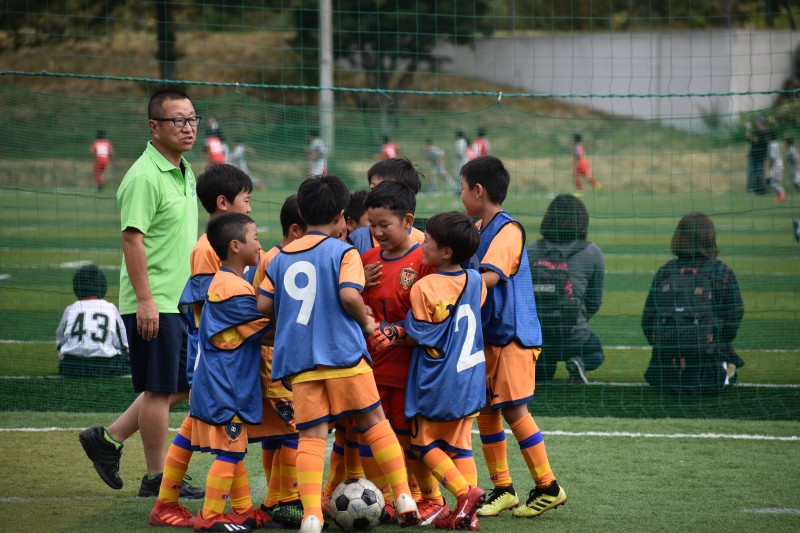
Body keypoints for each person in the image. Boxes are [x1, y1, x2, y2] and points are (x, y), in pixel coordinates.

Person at [256, 175, 420, 533]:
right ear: (342, 217)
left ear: (301, 212)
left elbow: (263, 303)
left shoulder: (280, 256)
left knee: (311, 436)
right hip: (344, 355)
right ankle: (404, 494)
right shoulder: (344, 252)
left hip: (301, 362)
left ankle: (312, 515)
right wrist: (366, 321)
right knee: (374, 421)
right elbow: (349, 296)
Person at [79, 89, 204, 500]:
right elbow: (132, 240)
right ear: (154, 127)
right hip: (155, 302)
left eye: (192, 119)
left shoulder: (183, 169)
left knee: (178, 386)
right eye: (177, 121)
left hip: (180, 301)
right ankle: (157, 478)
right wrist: (146, 300)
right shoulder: (143, 176)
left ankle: (109, 439)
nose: (188, 128)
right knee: (158, 389)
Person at [460, 156, 567, 519]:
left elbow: (488, 277)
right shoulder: (477, 228)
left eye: (462, 188)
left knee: (514, 410)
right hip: (489, 337)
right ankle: (503, 488)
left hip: (513, 337)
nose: (460, 195)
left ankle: (548, 485)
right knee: (487, 412)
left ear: (478, 190)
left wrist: (452, 298)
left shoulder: (509, 230)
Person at [149, 163, 255, 528]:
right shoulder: (209, 250)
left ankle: (231, 509)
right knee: (228, 437)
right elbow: (212, 311)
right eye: (246, 200)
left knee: (197, 432)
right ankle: (210, 514)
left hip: (215, 361)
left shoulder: (217, 245)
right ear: (224, 203)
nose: (250, 208)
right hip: (216, 363)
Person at [359, 181, 442, 524]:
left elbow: (434, 321)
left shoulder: (424, 262)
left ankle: (429, 496)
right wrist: (357, 286)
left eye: (384, 225)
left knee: (409, 436)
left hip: (409, 369)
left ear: (408, 221)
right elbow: (353, 307)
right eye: (372, 225)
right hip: (369, 367)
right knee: (371, 435)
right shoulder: (365, 261)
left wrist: (399, 333)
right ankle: (385, 498)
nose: (377, 233)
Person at [402, 211, 488, 530]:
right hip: (471, 377)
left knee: (424, 445)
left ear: (446, 252)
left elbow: (419, 334)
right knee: (461, 445)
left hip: (440, 379)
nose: (422, 244)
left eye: (428, 241)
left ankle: (465, 494)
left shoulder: (423, 288)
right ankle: (469, 516)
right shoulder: (476, 280)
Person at [190, 212, 272, 531]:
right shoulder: (234, 289)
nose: (260, 245)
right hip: (227, 387)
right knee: (230, 452)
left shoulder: (227, 282)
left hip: (224, 383)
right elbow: (268, 331)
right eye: (255, 239)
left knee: (233, 450)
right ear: (236, 246)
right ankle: (210, 516)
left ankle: (240, 510)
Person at [249, 195, 306, 529]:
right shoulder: (279, 260)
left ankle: (273, 499)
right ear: (297, 230)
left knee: (276, 432)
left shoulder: (271, 256)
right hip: (278, 362)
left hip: (272, 360)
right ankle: (288, 500)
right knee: (292, 431)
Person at [641, 212, 745, 395]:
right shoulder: (721, 272)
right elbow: (733, 318)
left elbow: (647, 321)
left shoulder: (665, 272)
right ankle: (724, 368)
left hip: (663, 373)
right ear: (710, 238)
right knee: (727, 357)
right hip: (708, 370)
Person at [529, 194, 605, 384]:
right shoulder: (592, 252)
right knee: (596, 353)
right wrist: (576, 317)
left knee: (542, 373)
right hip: (573, 335)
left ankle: (535, 362)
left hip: (535, 337)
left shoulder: (530, 249)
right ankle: (578, 361)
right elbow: (594, 301)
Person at [56, 264, 129, 377]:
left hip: (72, 366)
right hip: (105, 366)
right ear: (102, 286)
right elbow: (123, 345)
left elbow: (61, 343)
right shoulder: (111, 308)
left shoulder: (70, 309)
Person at [348, 158, 424, 255]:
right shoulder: (358, 238)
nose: (375, 195)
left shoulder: (422, 242)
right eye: (372, 189)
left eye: (382, 189)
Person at [745, 116, 769, 194]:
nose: (756, 122)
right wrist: (748, 128)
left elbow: (756, 140)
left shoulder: (764, 132)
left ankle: (761, 189)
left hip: (759, 156)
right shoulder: (757, 131)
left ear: (760, 123)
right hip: (753, 156)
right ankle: (751, 189)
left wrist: (752, 136)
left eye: (757, 121)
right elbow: (748, 137)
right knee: (751, 172)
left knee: (759, 172)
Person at [766, 130, 786, 203]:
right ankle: (779, 197)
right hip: (779, 164)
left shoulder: (772, 145)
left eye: (767, 136)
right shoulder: (775, 144)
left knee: (770, 181)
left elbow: (773, 158)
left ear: (769, 136)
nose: (766, 137)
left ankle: (782, 193)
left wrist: (770, 168)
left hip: (776, 165)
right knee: (775, 182)